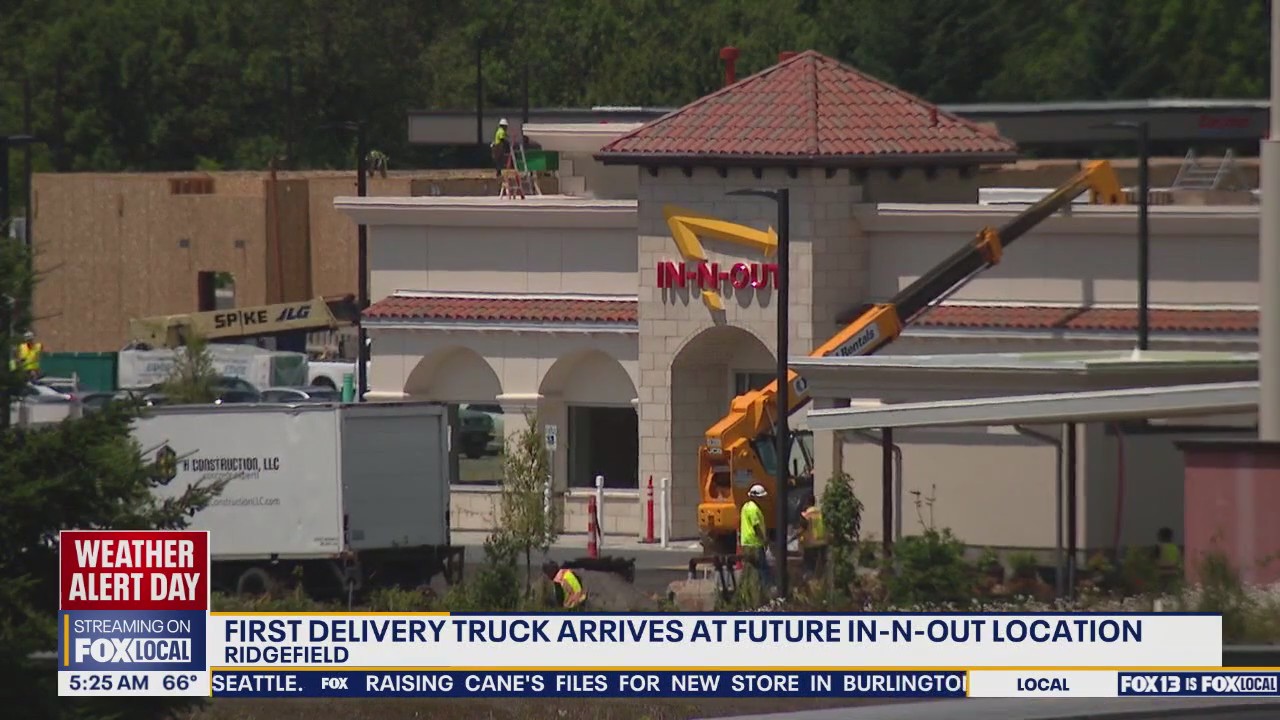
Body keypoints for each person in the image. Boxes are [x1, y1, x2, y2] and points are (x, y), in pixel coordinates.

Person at [740, 484, 771, 587]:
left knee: (750, 569)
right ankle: (764, 590)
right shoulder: (754, 509)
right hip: (755, 543)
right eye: (761, 497)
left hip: (746, 543)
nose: (762, 500)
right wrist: (764, 539)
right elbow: (756, 526)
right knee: (762, 569)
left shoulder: (745, 507)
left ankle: (749, 591)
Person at [793, 492, 828, 579]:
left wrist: (794, 536)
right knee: (820, 569)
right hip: (822, 544)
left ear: (806, 502)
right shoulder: (821, 513)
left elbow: (802, 529)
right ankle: (818, 585)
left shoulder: (806, 515)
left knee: (809, 568)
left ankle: (811, 585)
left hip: (810, 545)